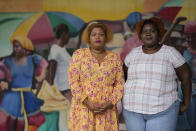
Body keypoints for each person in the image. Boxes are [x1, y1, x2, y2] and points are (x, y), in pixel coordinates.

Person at [122, 17, 192, 131]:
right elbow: (123, 77)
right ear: (140, 36)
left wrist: (186, 103)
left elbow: (186, 76)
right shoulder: (133, 54)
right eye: (145, 31)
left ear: (159, 34)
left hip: (163, 110)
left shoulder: (170, 52)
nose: (148, 33)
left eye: (152, 31)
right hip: (132, 110)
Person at [68, 22, 125, 131]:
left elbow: (120, 84)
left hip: (107, 109)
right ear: (88, 38)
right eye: (94, 34)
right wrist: (87, 102)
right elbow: (73, 81)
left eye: (101, 34)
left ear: (106, 37)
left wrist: (110, 103)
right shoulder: (79, 55)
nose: (97, 37)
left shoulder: (114, 58)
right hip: (83, 108)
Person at [0, 35, 48, 131]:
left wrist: (40, 80)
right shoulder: (7, 61)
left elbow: (44, 68)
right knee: (10, 124)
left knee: (29, 125)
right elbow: (2, 75)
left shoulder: (34, 59)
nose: (15, 48)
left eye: (18, 46)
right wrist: (3, 83)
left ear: (25, 46)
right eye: (14, 46)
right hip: (11, 98)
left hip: (28, 97)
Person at [47, 23, 72, 101]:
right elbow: (52, 65)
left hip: (69, 89)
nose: (69, 38)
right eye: (68, 35)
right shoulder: (55, 48)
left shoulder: (63, 49)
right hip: (64, 90)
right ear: (64, 34)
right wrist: (51, 88)